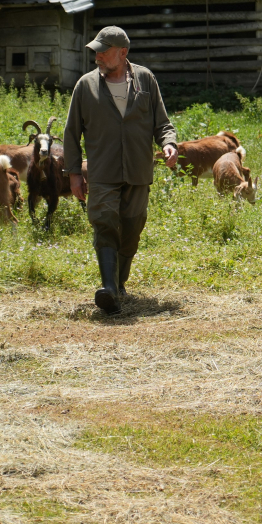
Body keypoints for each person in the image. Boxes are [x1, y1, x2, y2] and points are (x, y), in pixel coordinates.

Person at [64, 26, 178, 314]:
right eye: (96, 52)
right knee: (104, 222)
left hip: (138, 170)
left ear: (123, 52)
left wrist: (169, 143)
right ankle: (109, 289)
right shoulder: (85, 86)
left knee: (132, 227)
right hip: (102, 171)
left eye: (104, 51)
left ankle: (119, 283)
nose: (97, 56)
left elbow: (162, 123)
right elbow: (71, 133)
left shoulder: (145, 80)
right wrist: (74, 173)